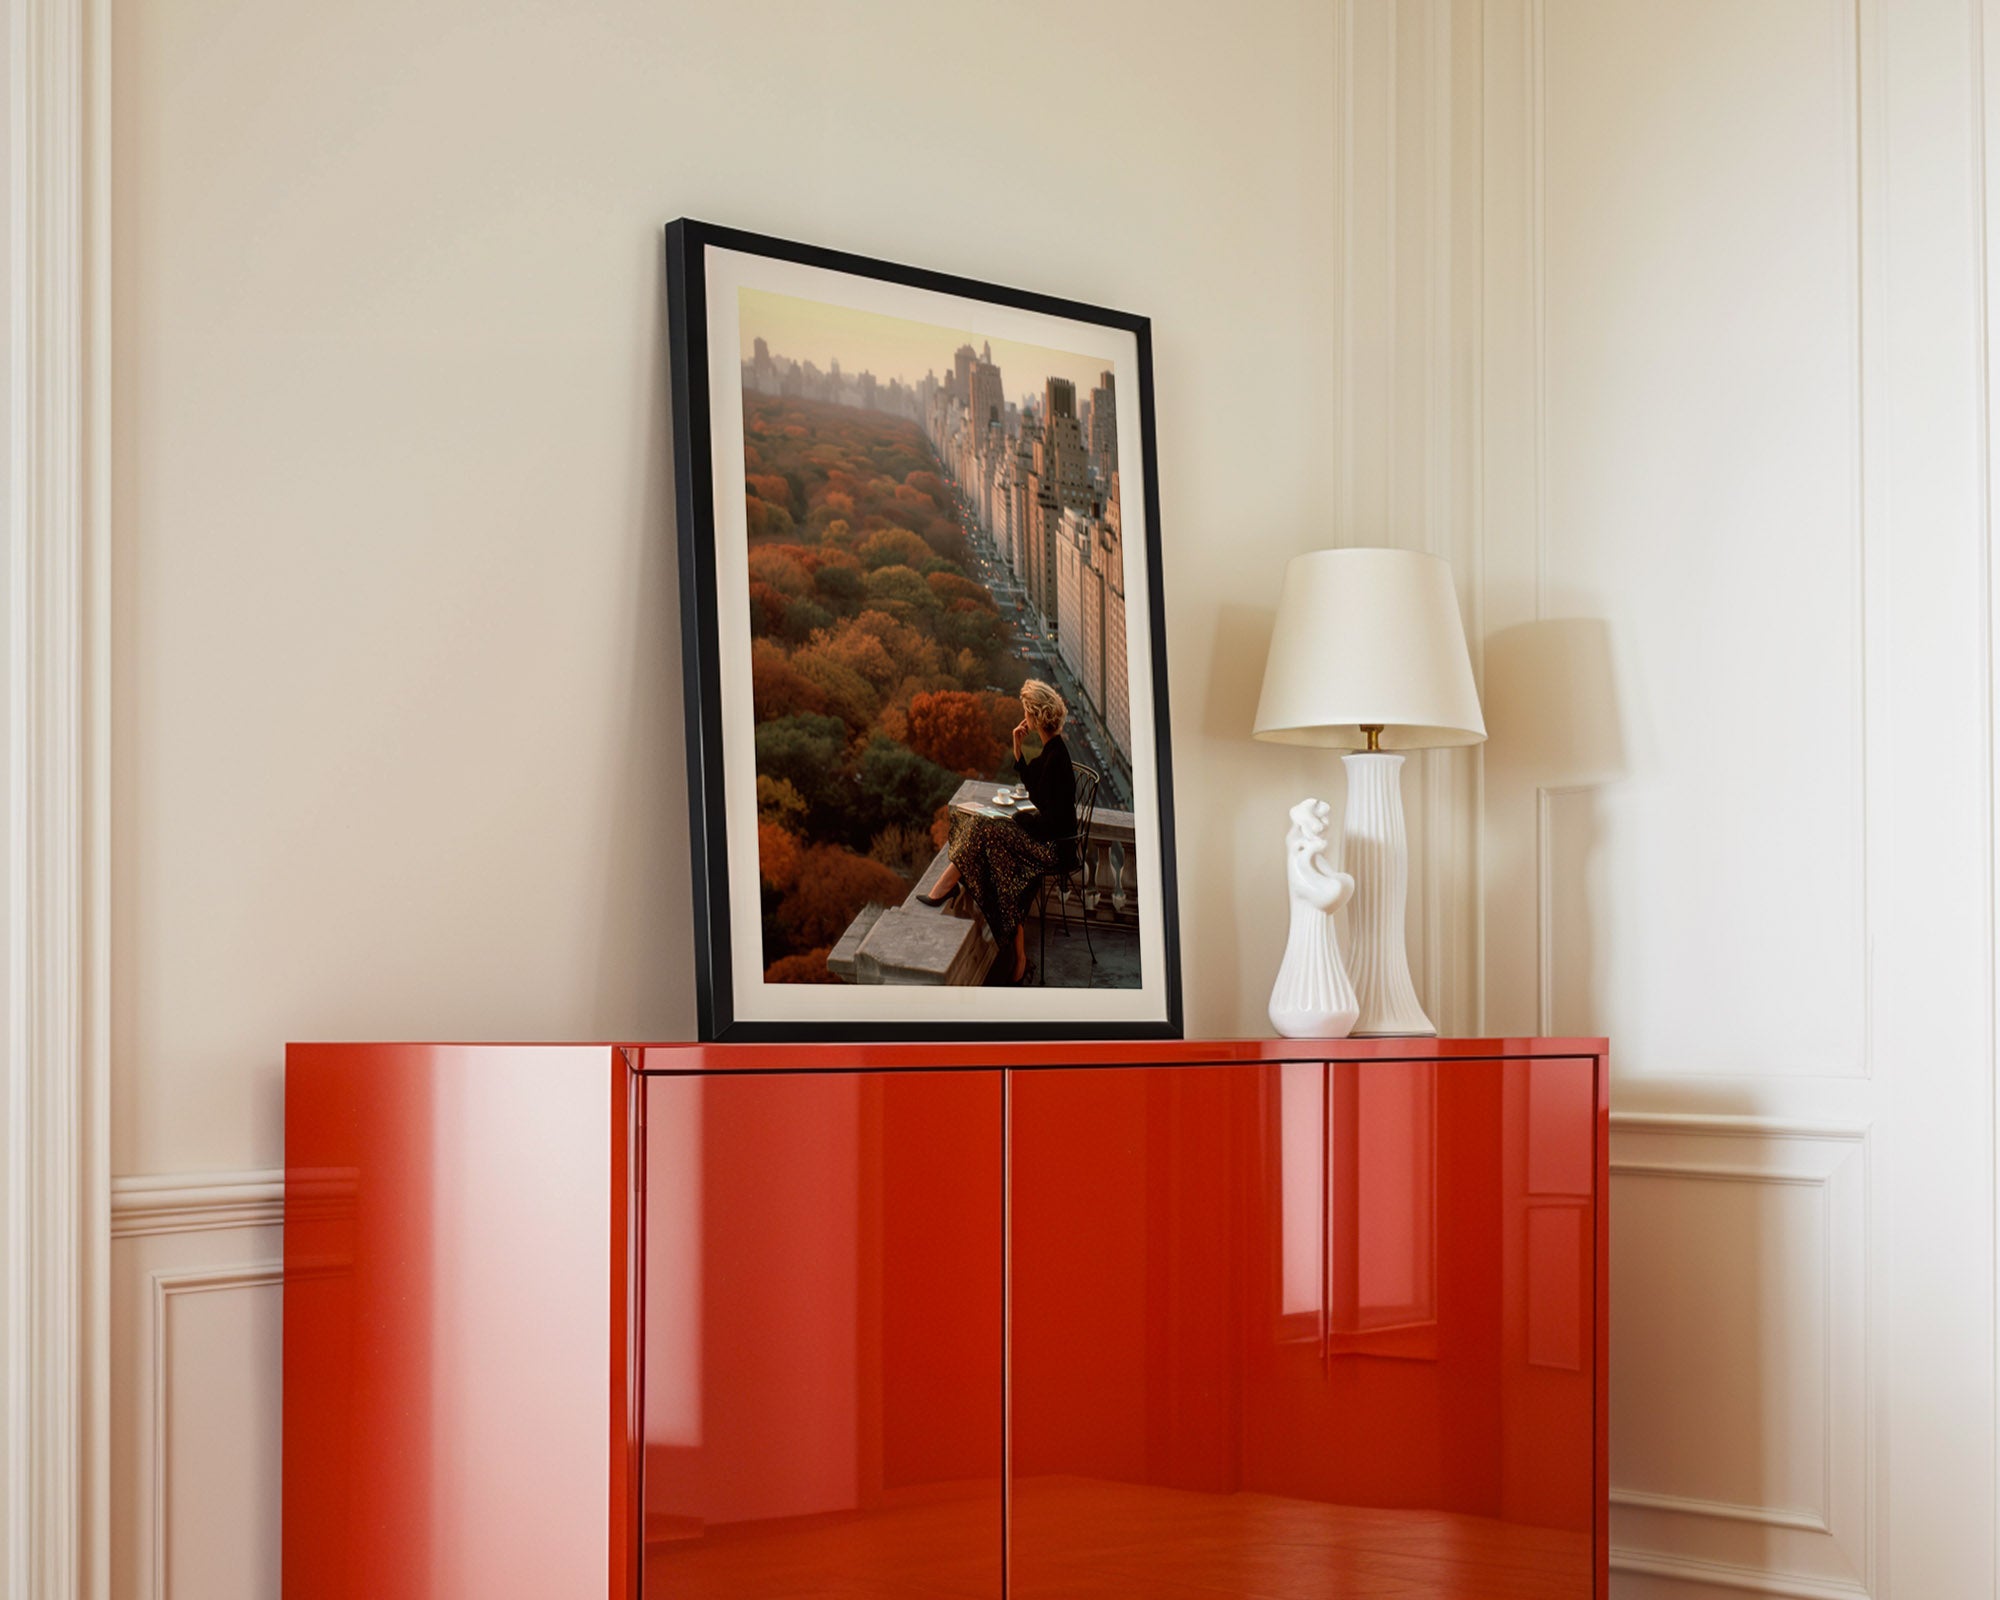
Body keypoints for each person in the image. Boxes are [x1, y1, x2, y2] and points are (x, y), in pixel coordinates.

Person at [917, 679, 1078, 985]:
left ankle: (949, 883)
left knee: (984, 830)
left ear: (1033, 716)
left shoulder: (1057, 758)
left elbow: (1053, 822)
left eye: (1025, 713)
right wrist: (1018, 749)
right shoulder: (1053, 750)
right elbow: (1039, 794)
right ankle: (1017, 955)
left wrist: (1019, 821)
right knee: (992, 845)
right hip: (1049, 839)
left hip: (1054, 848)